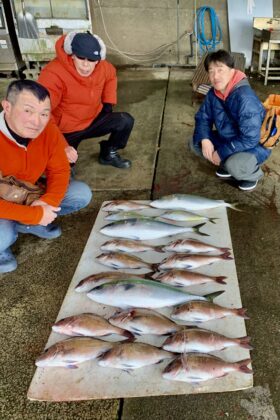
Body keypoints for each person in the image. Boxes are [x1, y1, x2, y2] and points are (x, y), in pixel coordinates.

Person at [0, 80, 92, 274]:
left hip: (30, 194)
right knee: (2, 236)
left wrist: (47, 202)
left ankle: (27, 225)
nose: (37, 121)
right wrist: (35, 214)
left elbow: (59, 170)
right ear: (7, 106)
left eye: (44, 113)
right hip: (4, 202)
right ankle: (5, 245)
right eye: (28, 111)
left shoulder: (47, 130)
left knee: (81, 193)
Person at [38, 31, 134, 170]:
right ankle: (64, 165)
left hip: (93, 119)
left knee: (125, 121)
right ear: (72, 55)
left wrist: (108, 103)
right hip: (66, 130)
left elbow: (111, 75)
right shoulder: (52, 74)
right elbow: (42, 113)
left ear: (98, 59)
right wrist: (63, 146)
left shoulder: (102, 66)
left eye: (91, 60)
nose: (86, 65)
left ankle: (108, 153)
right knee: (63, 170)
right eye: (81, 58)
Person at [190, 49, 271, 191]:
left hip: (253, 146)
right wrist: (205, 139)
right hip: (229, 139)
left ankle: (252, 174)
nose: (215, 76)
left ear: (232, 71)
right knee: (196, 143)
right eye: (211, 71)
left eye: (220, 70)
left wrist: (221, 153)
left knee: (235, 164)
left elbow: (250, 139)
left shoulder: (245, 98)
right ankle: (227, 165)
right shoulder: (213, 93)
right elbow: (203, 117)